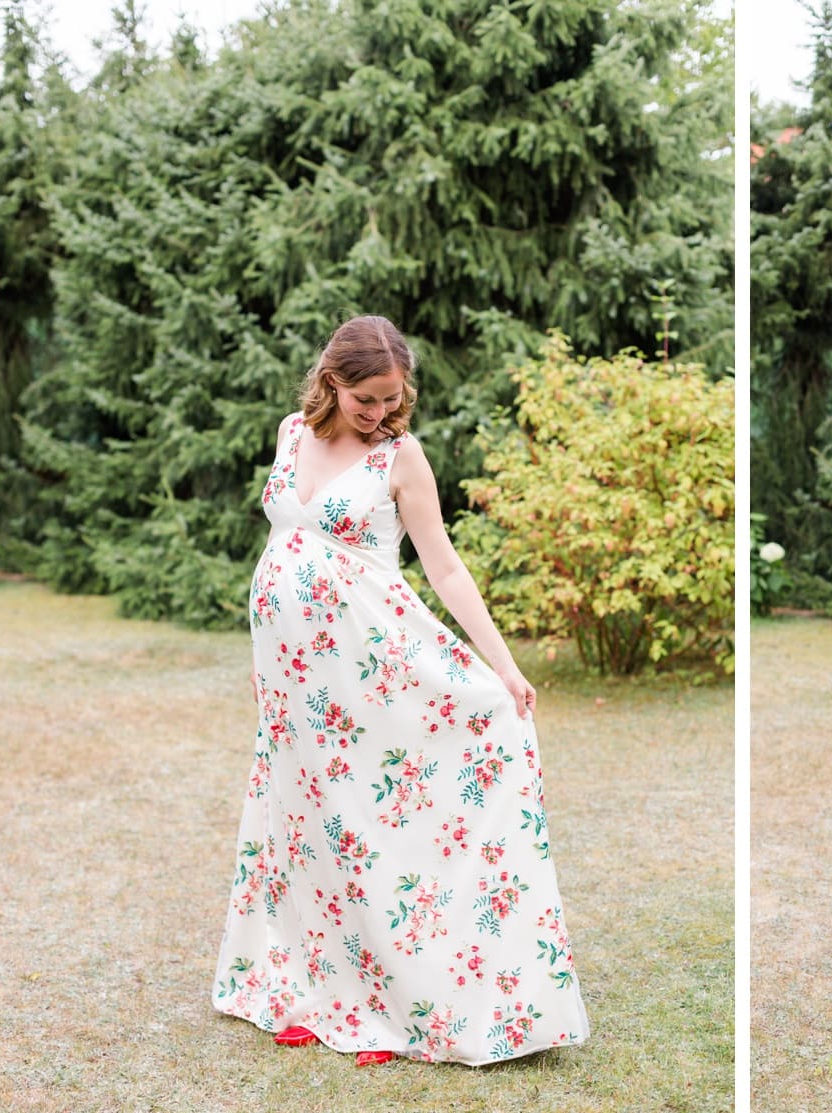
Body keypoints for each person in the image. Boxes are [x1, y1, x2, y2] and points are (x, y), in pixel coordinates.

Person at [213, 316, 591, 1066]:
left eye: (390, 399)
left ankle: (396, 1001)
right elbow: (285, 536)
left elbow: (443, 566)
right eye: (364, 398)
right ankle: (312, 985)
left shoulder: (400, 455)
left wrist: (506, 667)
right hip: (294, 680)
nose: (378, 412)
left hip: (374, 670)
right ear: (330, 380)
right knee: (306, 819)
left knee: (374, 820)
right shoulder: (292, 432)